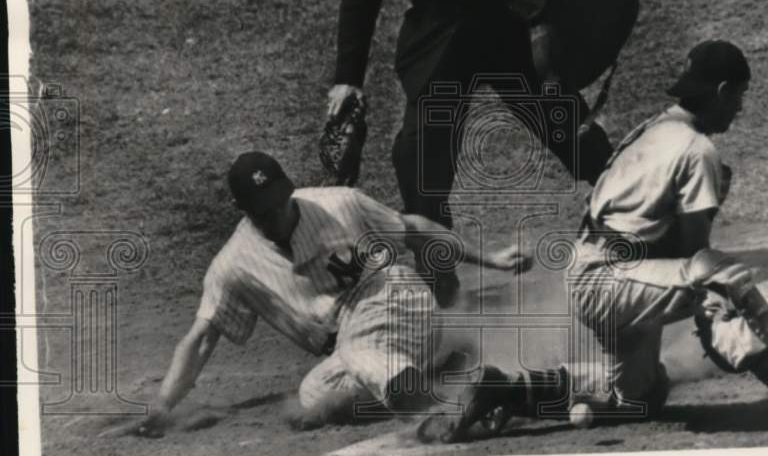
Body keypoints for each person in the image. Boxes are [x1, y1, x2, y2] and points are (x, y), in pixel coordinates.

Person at [441, 40, 768, 441]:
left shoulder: (652, 129)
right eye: (740, 96)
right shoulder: (698, 151)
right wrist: (713, 311)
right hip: (611, 280)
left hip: (595, 270)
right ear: (722, 91)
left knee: (638, 400)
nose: (740, 108)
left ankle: (507, 389)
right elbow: (694, 254)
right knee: (721, 276)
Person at [326, 0, 613, 304]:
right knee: (417, 156)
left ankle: (633, 217)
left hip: (503, 33)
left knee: (566, 125)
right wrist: (347, 77)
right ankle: (442, 279)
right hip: (439, 47)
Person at [121, 151, 532, 437]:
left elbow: (414, 230)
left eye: (281, 201)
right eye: (265, 211)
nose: (279, 214)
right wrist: (164, 403)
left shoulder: (340, 203)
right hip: (372, 341)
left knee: (358, 351)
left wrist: (491, 260)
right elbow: (202, 338)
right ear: (242, 209)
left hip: (393, 296)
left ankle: (447, 413)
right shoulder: (233, 265)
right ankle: (444, 371)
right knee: (315, 396)